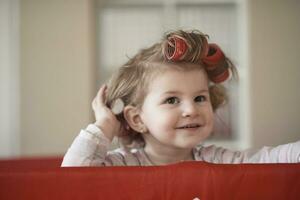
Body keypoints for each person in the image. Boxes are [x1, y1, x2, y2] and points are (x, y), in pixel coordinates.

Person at [61, 30, 299, 166]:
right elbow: (73, 178)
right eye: (172, 100)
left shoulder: (215, 159)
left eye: (199, 98)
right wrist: (104, 125)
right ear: (137, 119)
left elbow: (270, 159)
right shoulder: (121, 165)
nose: (191, 110)